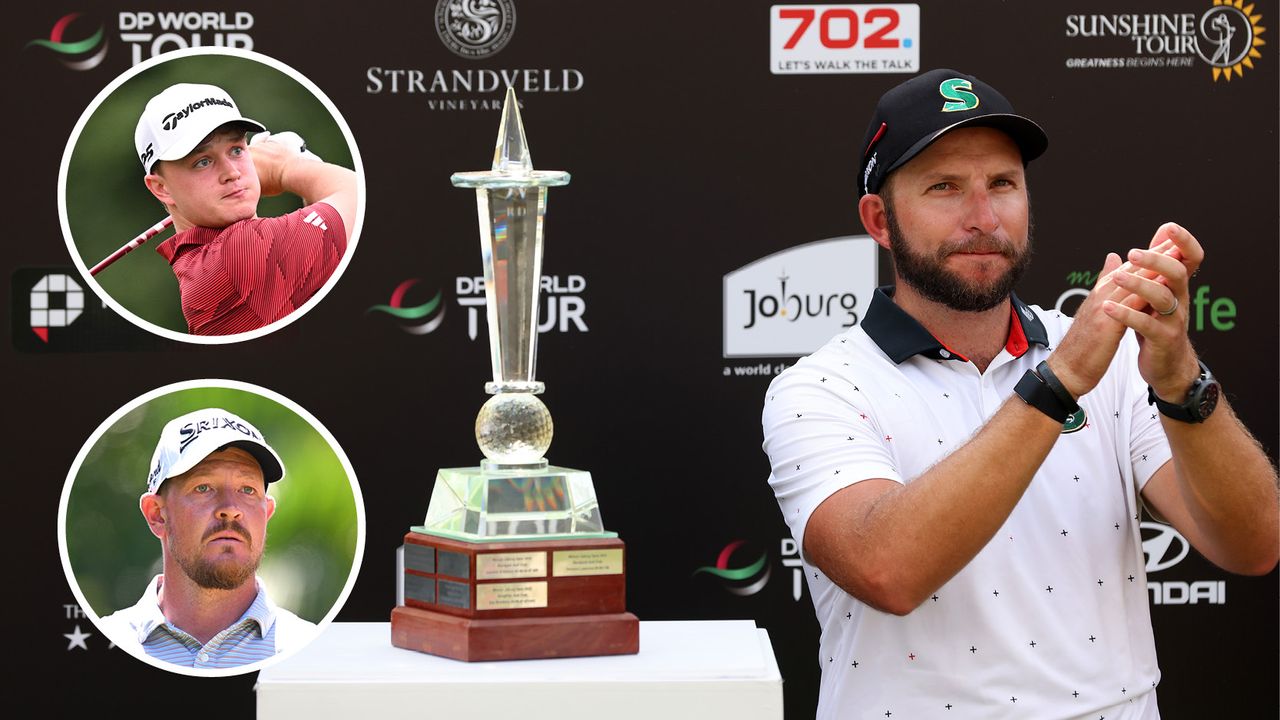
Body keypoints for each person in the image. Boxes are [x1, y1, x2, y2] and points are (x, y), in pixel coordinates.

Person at [761, 68, 1278, 719]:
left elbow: (1254, 543)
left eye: (1002, 184)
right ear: (879, 219)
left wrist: (1181, 380)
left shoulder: (1110, 357)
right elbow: (888, 570)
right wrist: (1059, 382)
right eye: (944, 187)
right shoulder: (819, 387)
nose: (983, 217)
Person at [99, 408, 317, 669]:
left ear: (266, 513)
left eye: (247, 489)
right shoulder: (105, 640)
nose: (231, 508)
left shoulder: (314, 653)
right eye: (203, 487)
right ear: (157, 515)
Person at [134, 83, 358, 335]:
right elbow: (361, 200)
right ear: (161, 188)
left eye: (237, 150)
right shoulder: (239, 253)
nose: (232, 172)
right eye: (203, 162)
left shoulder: (205, 265)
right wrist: (285, 168)